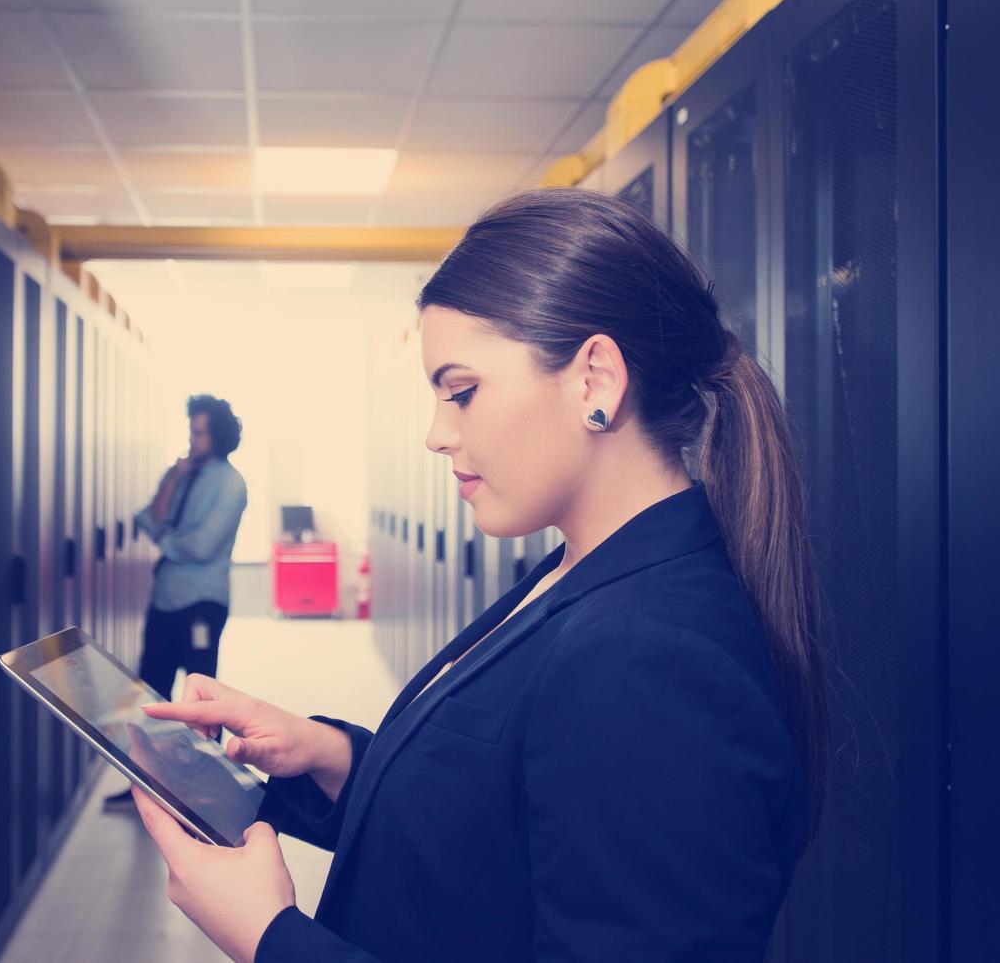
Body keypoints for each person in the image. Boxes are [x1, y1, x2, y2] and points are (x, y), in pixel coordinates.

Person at [129, 189, 827, 962]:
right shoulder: (580, 573)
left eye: (461, 392)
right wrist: (323, 753)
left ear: (593, 379)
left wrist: (271, 939)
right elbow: (494, 823)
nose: (436, 433)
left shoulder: (646, 653)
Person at [102, 394, 248, 812]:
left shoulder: (230, 483)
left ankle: (206, 788)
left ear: (217, 436)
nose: (192, 438)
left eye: (199, 432)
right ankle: (149, 785)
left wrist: (165, 540)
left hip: (201, 604)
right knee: (151, 692)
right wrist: (171, 479)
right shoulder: (183, 474)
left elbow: (202, 547)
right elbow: (147, 518)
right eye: (191, 430)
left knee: (200, 698)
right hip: (165, 598)